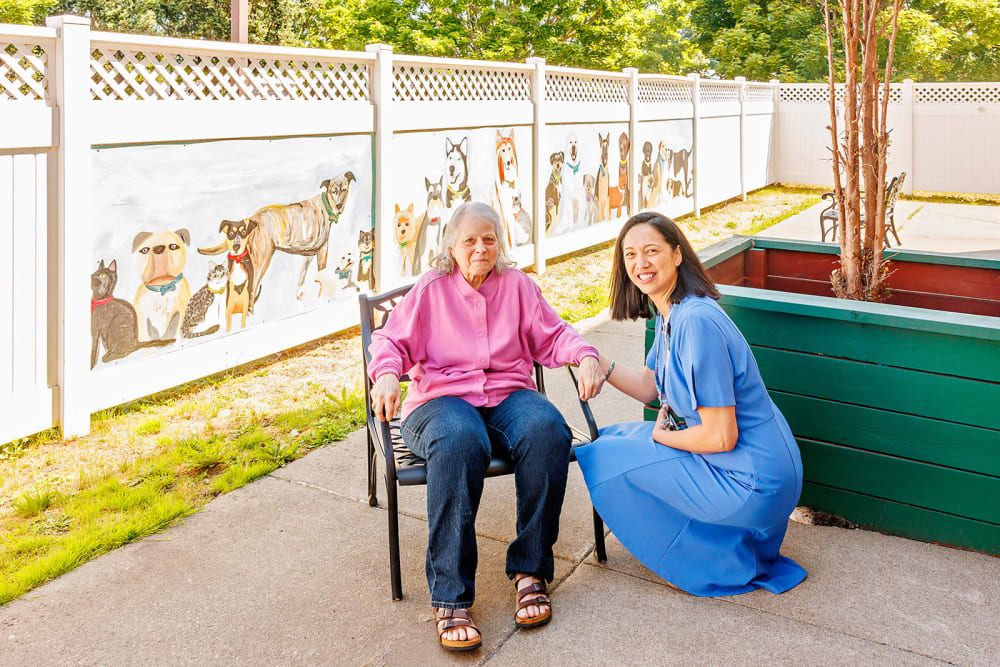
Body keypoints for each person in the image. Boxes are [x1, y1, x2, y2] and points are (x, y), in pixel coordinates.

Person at [368, 201, 605, 651]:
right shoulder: (432, 289)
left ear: (501, 243)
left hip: (506, 395)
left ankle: (531, 569)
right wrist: (384, 374)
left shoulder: (517, 286)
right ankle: (451, 597)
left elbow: (554, 335)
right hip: (440, 400)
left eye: (489, 239)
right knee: (461, 440)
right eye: (470, 240)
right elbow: (390, 341)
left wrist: (585, 355)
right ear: (452, 247)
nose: (481, 248)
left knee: (547, 430)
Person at [576, 211, 807, 597]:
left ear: (678, 254)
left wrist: (664, 439)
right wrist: (592, 357)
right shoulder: (673, 312)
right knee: (614, 438)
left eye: (651, 251)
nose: (640, 263)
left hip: (754, 481)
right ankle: (714, 544)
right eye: (630, 255)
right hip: (752, 465)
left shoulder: (696, 322)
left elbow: (720, 436)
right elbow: (651, 387)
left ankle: (695, 559)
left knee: (603, 458)